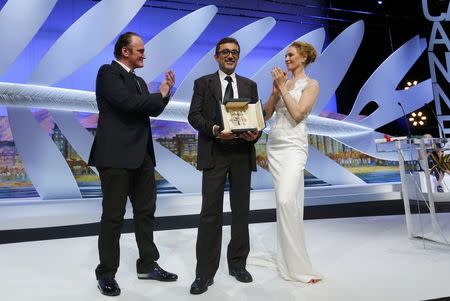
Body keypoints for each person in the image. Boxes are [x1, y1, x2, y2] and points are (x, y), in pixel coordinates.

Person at [88, 32, 178, 297]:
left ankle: (147, 265)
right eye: (139, 51)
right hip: (115, 158)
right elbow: (127, 103)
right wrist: (158, 94)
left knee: (146, 214)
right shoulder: (108, 73)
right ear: (125, 52)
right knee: (113, 218)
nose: (144, 55)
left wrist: (163, 95)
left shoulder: (138, 81)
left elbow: (151, 109)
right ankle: (106, 274)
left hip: (142, 159)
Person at [188, 37, 260, 295]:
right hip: (215, 152)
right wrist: (216, 130)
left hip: (242, 153)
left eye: (234, 53)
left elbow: (256, 120)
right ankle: (204, 274)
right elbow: (194, 116)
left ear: (238, 57)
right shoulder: (202, 83)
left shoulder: (250, 85)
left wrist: (256, 135)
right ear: (217, 56)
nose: (230, 56)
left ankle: (238, 264)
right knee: (210, 214)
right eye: (225, 52)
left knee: (241, 212)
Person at [263, 41, 322, 283]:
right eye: (285, 55)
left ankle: (298, 266)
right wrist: (276, 91)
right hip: (275, 146)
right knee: (284, 202)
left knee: (288, 200)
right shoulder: (281, 84)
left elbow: (298, 115)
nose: (286, 59)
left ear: (304, 58)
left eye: (290, 55)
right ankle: (287, 260)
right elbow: (266, 114)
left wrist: (283, 90)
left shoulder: (311, 85)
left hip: (294, 146)